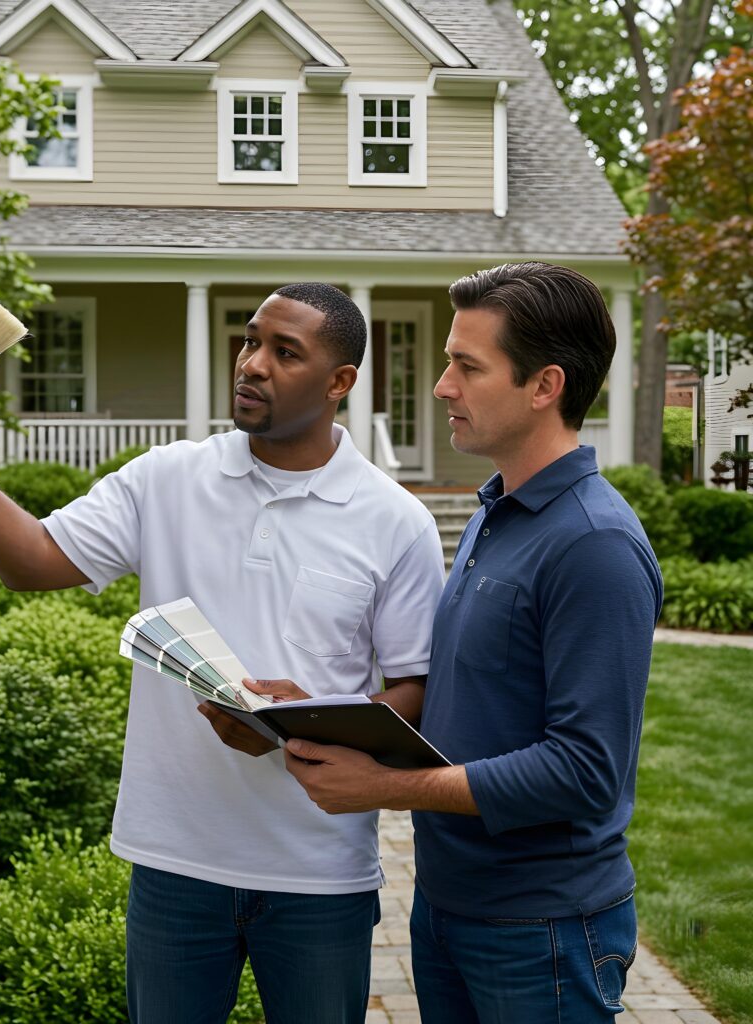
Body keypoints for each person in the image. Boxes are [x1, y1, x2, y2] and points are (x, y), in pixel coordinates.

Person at [0, 282, 445, 1024]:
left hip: (318, 871)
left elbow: (413, 687)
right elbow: (32, 561)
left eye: (284, 351)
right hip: (176, 862)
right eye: (249, 340)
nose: (253, 363)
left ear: (340, 383)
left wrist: (295, 726)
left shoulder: (395, 521)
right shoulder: (167, 478)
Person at [283, 263, 663, 1023]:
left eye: (467, 365)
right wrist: (326, 714)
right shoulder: (499, 512)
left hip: (543, 933)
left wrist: (383, 789)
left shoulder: (593, 545)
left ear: (544, 385)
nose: (441, 386)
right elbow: (474, 698)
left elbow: (586, 771)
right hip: (453, 909)